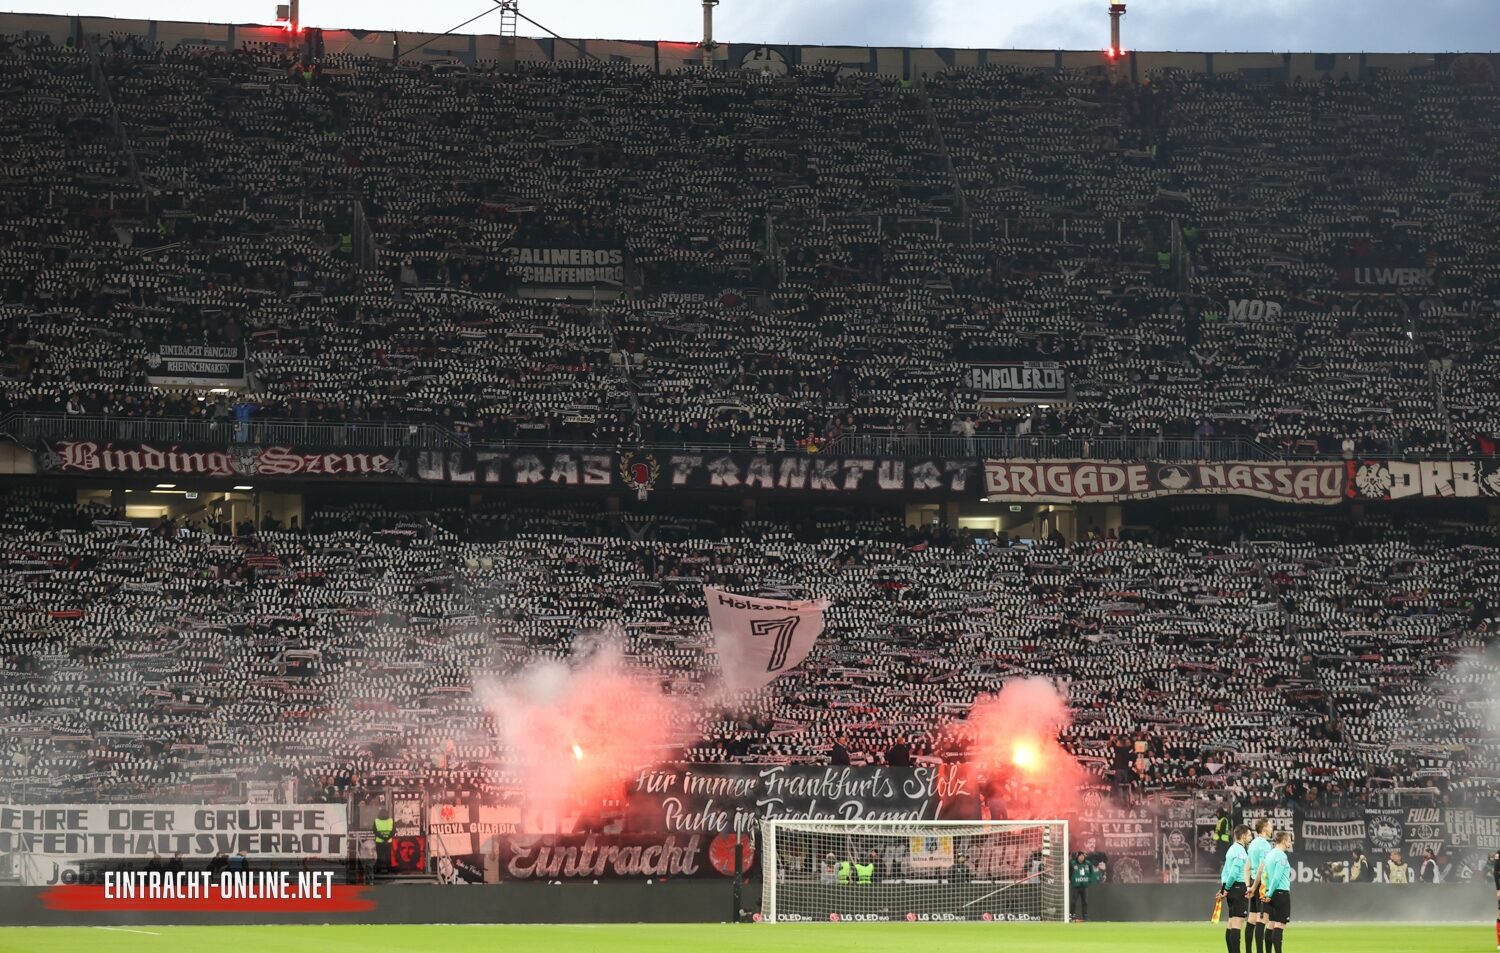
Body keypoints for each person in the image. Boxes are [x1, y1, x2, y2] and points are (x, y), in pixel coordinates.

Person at [1217, 826, 1254, 953]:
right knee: (1238, 924)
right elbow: (1233, 872)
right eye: (1249, 835)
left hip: (1231, 888)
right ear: (1243, 836)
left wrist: (1224, 888)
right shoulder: (1240, 852)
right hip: (1238, 887)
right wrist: (1226, 888)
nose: (1250, 837)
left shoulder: (1231, 849)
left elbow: (1224, 873)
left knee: (1231, 923)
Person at [1259, 831, 1293, 953]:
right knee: (1279, 926)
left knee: (1271, 924)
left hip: (1270, 893)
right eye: (1289, 840)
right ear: (1284, 841)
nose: (1290, 843)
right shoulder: (1281, 856)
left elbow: (1265, 875)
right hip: (1280, 893)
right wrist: (1269, 893)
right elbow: (1277, 877)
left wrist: (1266, 891)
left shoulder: (1270, 854)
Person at [1246, 818, 1274, 953]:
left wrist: (1249, 885)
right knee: (1262, 919)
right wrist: (1255, 886)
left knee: (1252, 919)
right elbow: (1262, 868)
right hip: (1261, 884)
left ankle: (1248, 951)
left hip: (1253, 882)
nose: (1271, 827)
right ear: (1264, 829)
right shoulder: (1264, 845)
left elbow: (1248, 866)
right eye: (1269, 825)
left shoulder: (1252, 844)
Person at [1070, 850, 1098, 921]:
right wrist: (1071, 880)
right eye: (1081, 856)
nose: (1083, 857)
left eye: (1084, 856)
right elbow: (1069, 873)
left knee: (1085, 902)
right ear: (1078, 856)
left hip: (1084, 886)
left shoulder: (1088, 863)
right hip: (1076, 886)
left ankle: (1085, 916)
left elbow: (1092, 872)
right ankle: (1072, 915)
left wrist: (1089, 880)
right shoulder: (1072, 863)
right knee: (1073, 901)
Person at [373, 807, 395, 875]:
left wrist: (382, 837)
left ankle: (379, 870)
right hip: (388, 842)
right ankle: (389, 870)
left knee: (379, 856)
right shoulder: (391, 820)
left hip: (379, 842)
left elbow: (375, 831)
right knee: (388, 856)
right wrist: (387, 838)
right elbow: (393, 831)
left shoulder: (376, 821)